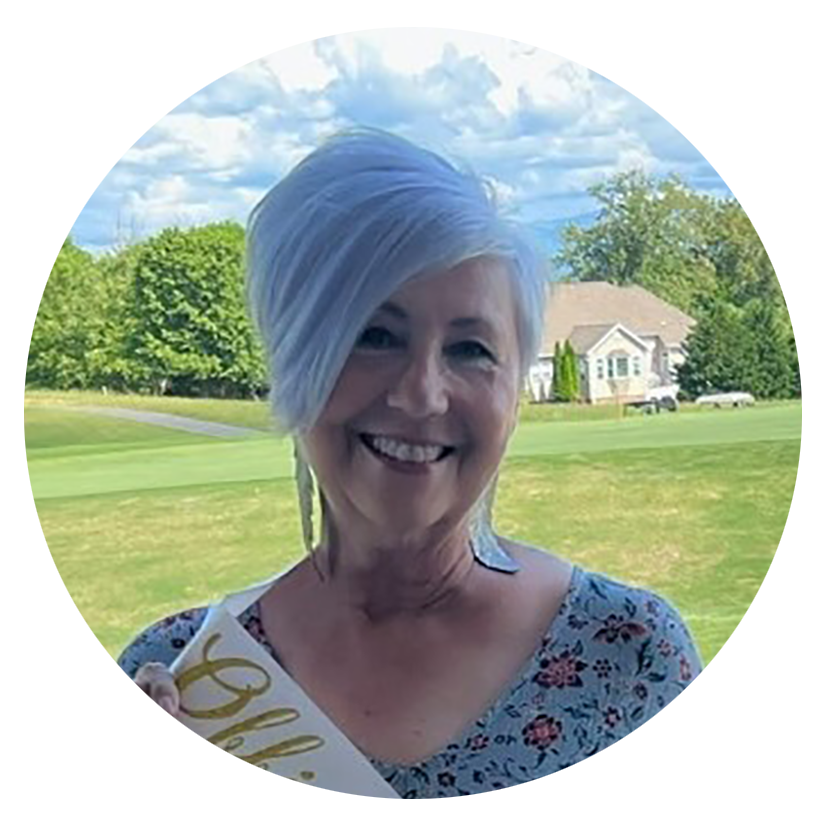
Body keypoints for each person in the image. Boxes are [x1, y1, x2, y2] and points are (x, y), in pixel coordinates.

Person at [117, 127, 702, 805]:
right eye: (375, 335)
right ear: (298, 362)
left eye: (471, 349)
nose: (420, 395)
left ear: (514, 395)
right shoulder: (189, 675)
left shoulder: (629, 655)